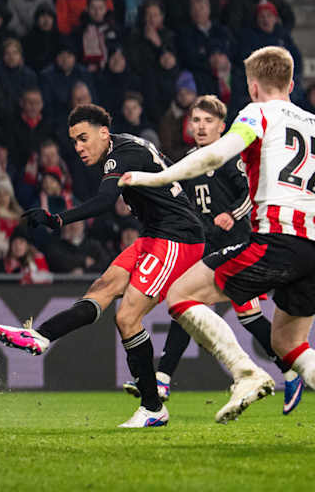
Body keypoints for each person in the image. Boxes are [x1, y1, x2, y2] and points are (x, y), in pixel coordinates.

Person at [119, 46, 315, 442]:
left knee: (180, 295)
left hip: (278, 237)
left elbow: (214, 156)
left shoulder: (257, 114)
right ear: (291, 83)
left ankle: (246, 374)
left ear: (253, 85)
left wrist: (152, 178)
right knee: (289, 343)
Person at [0, 104, 205, 428]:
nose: (78, 147)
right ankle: (41, 336)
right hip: (156, 235)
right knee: (101, 288)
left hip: (177, 238)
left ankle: (152, 407)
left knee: (127, 317)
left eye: (83, 138)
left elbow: (106, 202)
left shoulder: (120, 154)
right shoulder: (127, 146)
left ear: (104, 133)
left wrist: (57, 219)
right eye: (74, 141)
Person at [121, 96, 304, 415]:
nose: (201, 127)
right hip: (206, 248)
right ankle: (162, 379)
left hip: (237, 247)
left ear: (222, 127)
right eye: (196, 121)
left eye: (208, 121)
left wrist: (232, 214)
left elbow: (250, 194)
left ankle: (290, 371)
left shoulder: (230, 157)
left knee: (246, 316)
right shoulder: (190, 160)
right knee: (185, 306)